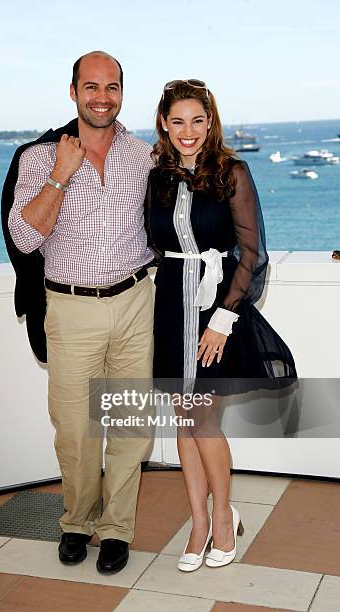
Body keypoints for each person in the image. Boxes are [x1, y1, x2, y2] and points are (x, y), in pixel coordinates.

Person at [7, 51, 155, 575]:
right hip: (71, 307)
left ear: (122, 93)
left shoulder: (143, 156)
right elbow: (24, 237)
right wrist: (60, 177)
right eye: (91, 87)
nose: (102, 97)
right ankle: (77, 520)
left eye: (111, 87)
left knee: (131, 424)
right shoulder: (39, 158)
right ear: (72, 92)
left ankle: (117, 528)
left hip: (137, 300)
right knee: (76, 429)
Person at [144, 79, 297, 571]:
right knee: (182, 421)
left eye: (197, 120)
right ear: (165, 126)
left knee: (201, 419)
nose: (188, 131)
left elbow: (252, 254)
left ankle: (225, 519)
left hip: (216, 308)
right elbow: (153, 242)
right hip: (170, 303)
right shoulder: (158, 178)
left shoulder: (233, 172)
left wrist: (225, 318)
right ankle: (199, 522)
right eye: (177, 121)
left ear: (210, 123)